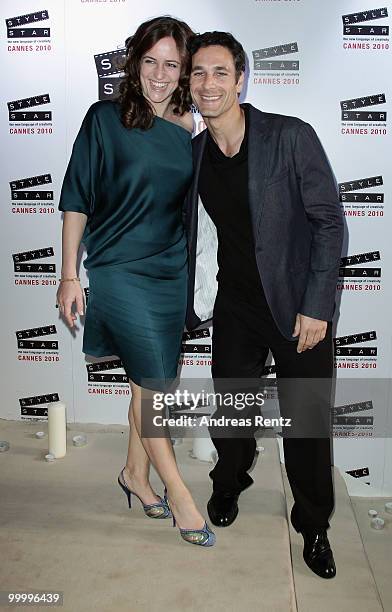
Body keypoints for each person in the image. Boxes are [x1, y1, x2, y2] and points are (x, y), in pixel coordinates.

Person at [184, 31, 344, 573]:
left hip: (299, 307)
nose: (208, 83)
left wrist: (318, 306)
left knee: (306, 424)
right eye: (198, 73)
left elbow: (329, 222)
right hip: (236, 307)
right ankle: (230, 481)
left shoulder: (290, 136)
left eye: (220, 72)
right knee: (231, 416)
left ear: (241, 79)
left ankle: (315, 524)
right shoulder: (196, 153)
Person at [56, 16, 215, 547]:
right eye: (151, 61)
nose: (161, 74)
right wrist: (68, 273)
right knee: (154, 388)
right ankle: (181, 497)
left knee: (150, 384)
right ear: (133, 63)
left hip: (170, 271)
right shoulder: (103, 119)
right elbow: (77, 196)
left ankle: (135, 475)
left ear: (185, 70)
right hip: (118, 268)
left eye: (173, 64)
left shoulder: (190, 127)